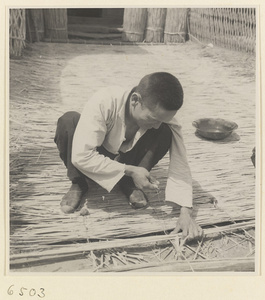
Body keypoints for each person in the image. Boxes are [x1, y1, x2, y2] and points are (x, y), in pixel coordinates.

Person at [54, 72, 203, 239]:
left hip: (127, 159)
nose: (156, 125)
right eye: (153, 119)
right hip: (98, 154)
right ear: (135, 100)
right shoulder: (104, 102)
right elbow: (82, 156)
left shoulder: (160, 118)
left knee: (166, 133)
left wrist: (185, 212)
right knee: (68, 121)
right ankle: (78, 183)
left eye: (162, 120)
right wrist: (130, 169)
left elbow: (180, 160)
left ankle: (128, 183)